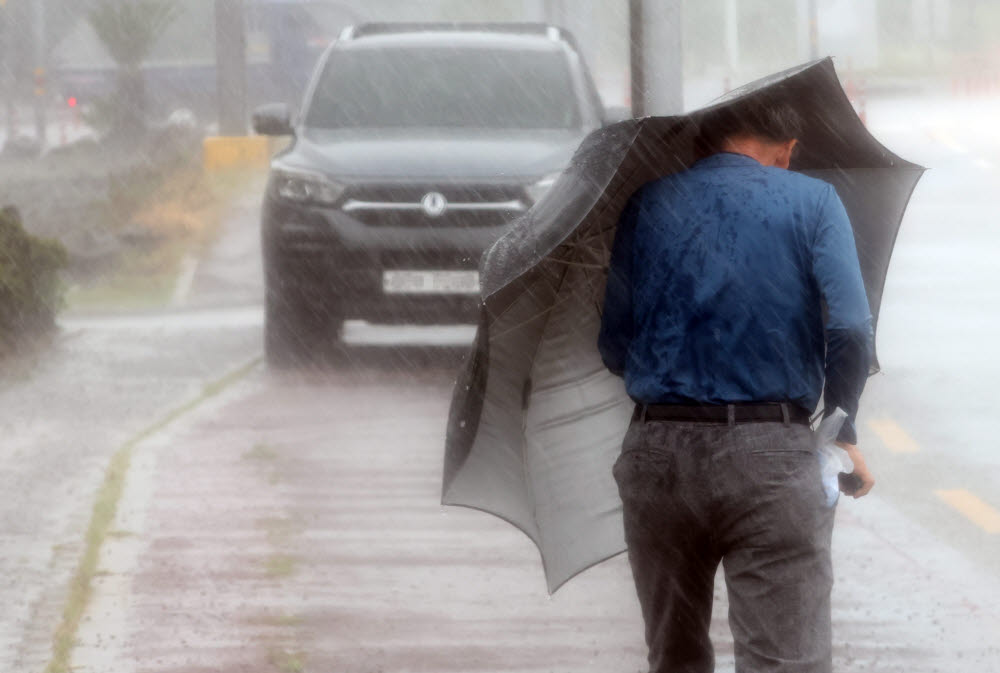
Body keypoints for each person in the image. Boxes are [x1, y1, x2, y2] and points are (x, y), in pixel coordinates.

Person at [597, 99, 875, 673]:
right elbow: (849, 325)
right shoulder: (814, 201)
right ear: (787, 149)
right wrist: (839, 428)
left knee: (674, 655)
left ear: (705, 144)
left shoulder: (648, 204)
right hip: (771, 453)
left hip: (658, 455)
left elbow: (614, 345)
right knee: (784, 661)